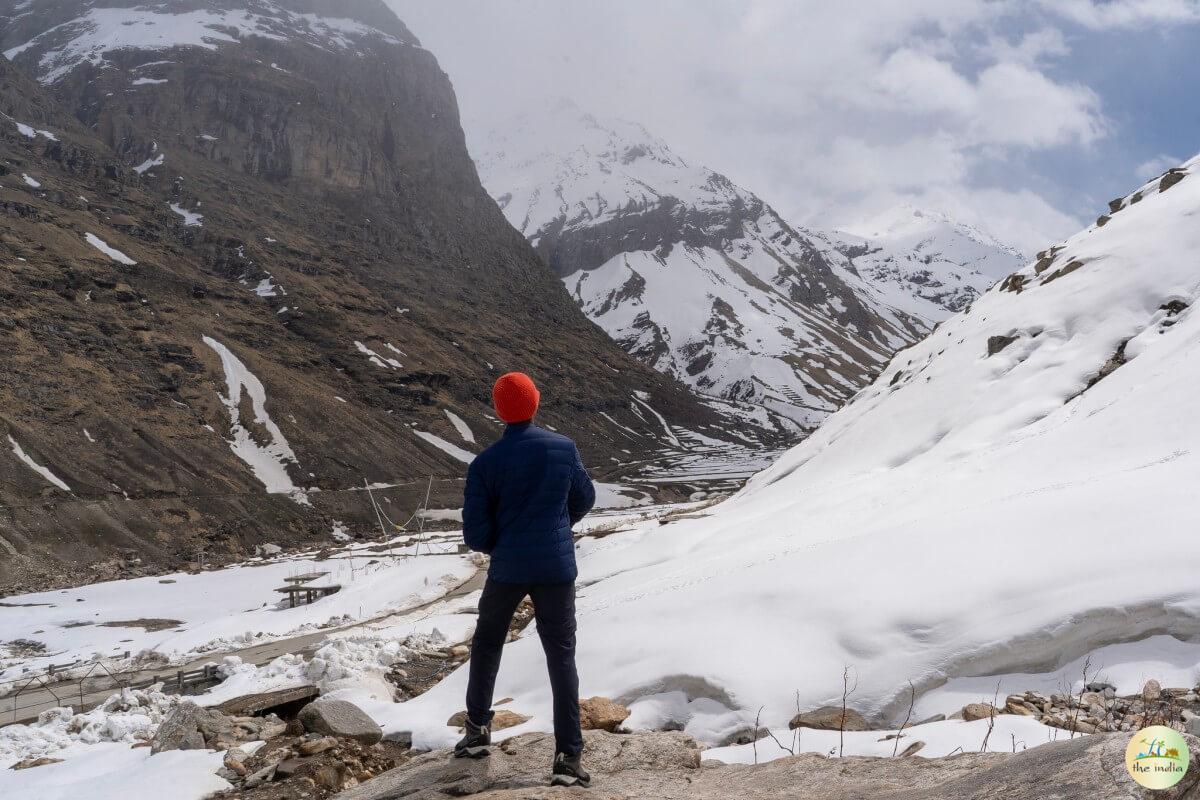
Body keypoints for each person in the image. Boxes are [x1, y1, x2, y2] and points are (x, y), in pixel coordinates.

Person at [455, 371, 596, 788]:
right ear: (535, 402)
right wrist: (557, 527)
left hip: (508, 569)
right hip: (556, 568)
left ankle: (477, 732)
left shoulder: (486, 463)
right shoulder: (563, 448)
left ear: (500, 410)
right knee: (561, 654)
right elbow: (585, 498)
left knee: (487, 643)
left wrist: (507, 542)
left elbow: (475, 534)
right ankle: (567, 758)